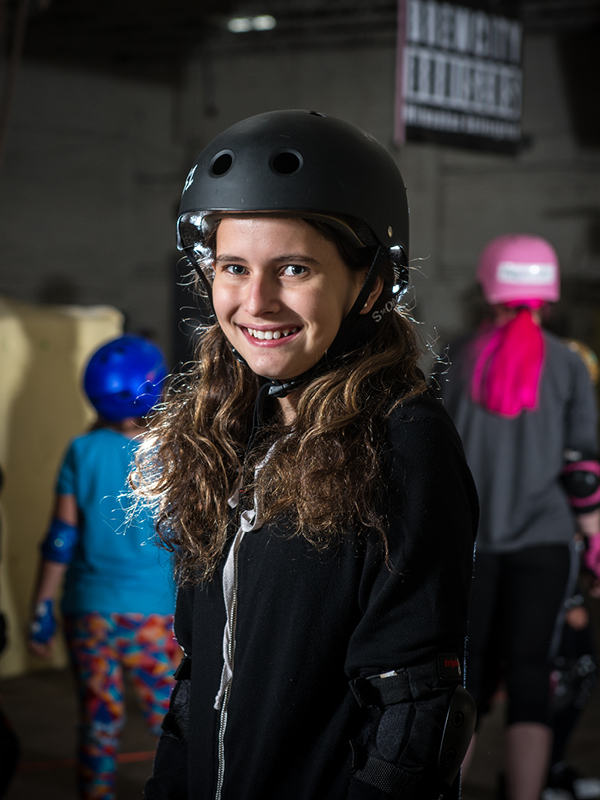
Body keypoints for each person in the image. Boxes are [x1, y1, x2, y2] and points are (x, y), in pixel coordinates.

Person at [135, 109, 479, 800]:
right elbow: (199, 682)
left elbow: (412, 714)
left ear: (370, 284)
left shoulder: (404, 440)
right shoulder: (224, 430)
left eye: (293, 268)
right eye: (234, 268)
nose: (256, 301)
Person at [436, 235, 600, 800]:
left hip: (469, 544)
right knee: (533, 673)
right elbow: (583, 473)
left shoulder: (454, 357)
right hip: (546, 543)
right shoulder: (570, 363)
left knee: (467, 677)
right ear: (548, 295)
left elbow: (427, 457)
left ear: (488, 289)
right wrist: (595, 544)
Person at [28, 335, 179, 800]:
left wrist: (40, 609)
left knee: (99, 718)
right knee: (173, 722)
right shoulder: (173, 450)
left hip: (88, 610)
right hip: (155, 613)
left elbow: (61, 538)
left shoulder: (82, 450)